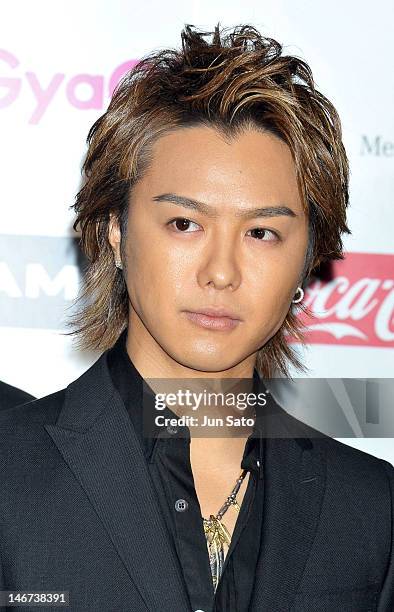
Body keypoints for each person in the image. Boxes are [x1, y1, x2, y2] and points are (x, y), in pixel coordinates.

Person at [0, 23, 393, 612]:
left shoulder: (370, 510)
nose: (221, 272)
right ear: (115, 230)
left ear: (309, 258)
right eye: (185, 224)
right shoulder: (9, 472)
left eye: (262, 233)